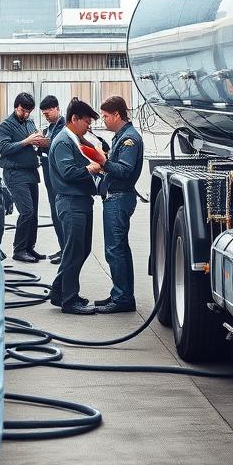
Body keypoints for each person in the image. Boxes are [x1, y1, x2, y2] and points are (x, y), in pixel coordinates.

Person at [48, 98, 103, 315]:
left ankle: (60, 291)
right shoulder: (63, 141)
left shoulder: (73, 139)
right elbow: (67, 172)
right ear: (74, 119)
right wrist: (92, 169)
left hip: (80, 200)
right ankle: (69, 300)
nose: (89, 126)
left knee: (82, 248)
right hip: (71, 202)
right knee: (73, 250)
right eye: (87, 122)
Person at [93, 95, 145, 314]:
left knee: (115, 250)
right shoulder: (121, 136)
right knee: (118, 249)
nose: (103, 120)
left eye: (106, 116)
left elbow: (124, 170)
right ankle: (120, 294)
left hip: (119, 198)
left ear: (117, 114)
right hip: (116, 196)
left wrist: (103, 162)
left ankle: (123, 298)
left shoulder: (129, 139)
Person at [0, 91, 46, 264]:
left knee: (34, 214)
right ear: (16, 106)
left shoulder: (30, 122)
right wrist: (26, 141)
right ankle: (19, 249)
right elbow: (4, 148)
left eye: (28, 111)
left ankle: (29, 247)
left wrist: (39, 141)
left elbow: (33, 141)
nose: (25, 114)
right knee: (27, 211)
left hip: (31, 171)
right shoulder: (5, 126)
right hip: (15, 173)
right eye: (22, 110)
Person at [38, 95, 66, 264]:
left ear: (56, 108)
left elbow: (58, 145)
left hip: (59, 179)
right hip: (49, 179)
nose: (46, 115)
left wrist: (45, 143)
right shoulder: (49, 128)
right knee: (55, 215)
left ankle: (66, 252)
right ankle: (62, 247)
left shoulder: (63, 127)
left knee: (62, 216)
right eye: (44, 113)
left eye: (48, 112)